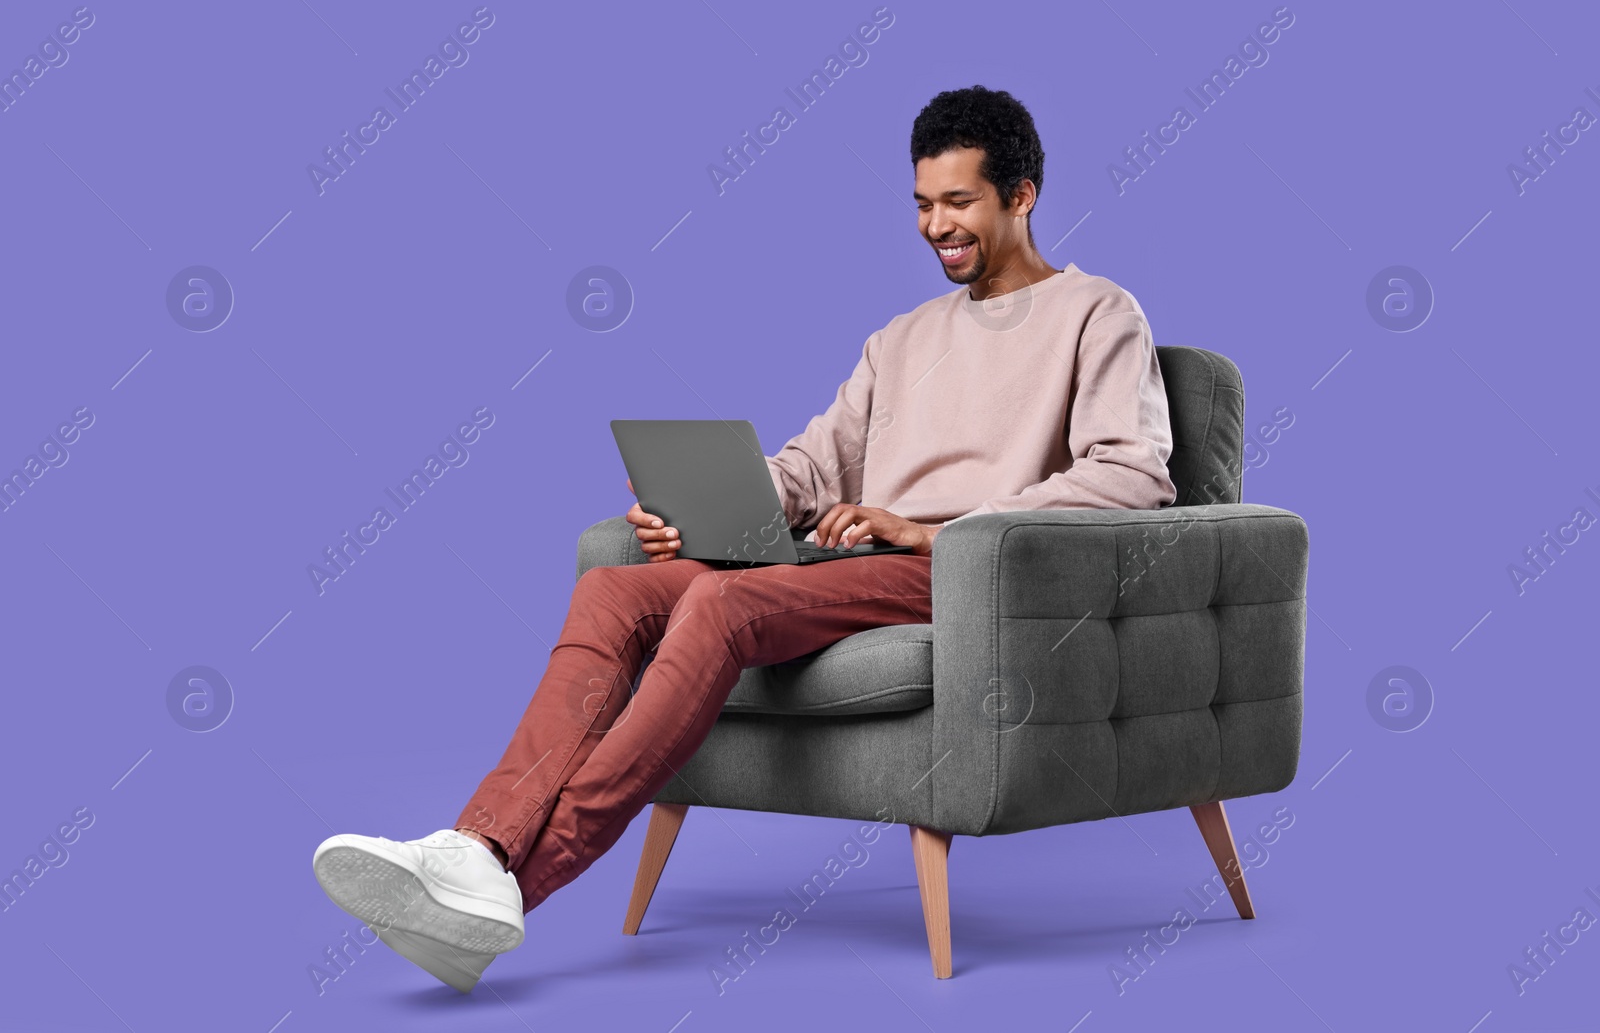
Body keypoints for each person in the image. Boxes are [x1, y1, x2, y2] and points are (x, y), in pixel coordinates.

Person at [310, 84, 1177, 993]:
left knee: (724, 601)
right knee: (617, 587)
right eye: (921, 204)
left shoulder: (1099, 313)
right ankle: (477, 847)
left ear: (1022, 195)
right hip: (849, 561)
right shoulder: (902, 338)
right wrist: (709, 505)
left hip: (963, 570)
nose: (935, 226)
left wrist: (932, 530)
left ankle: (523, 878)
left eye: (958, 203)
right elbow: (812, 466)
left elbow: (1132, 475)